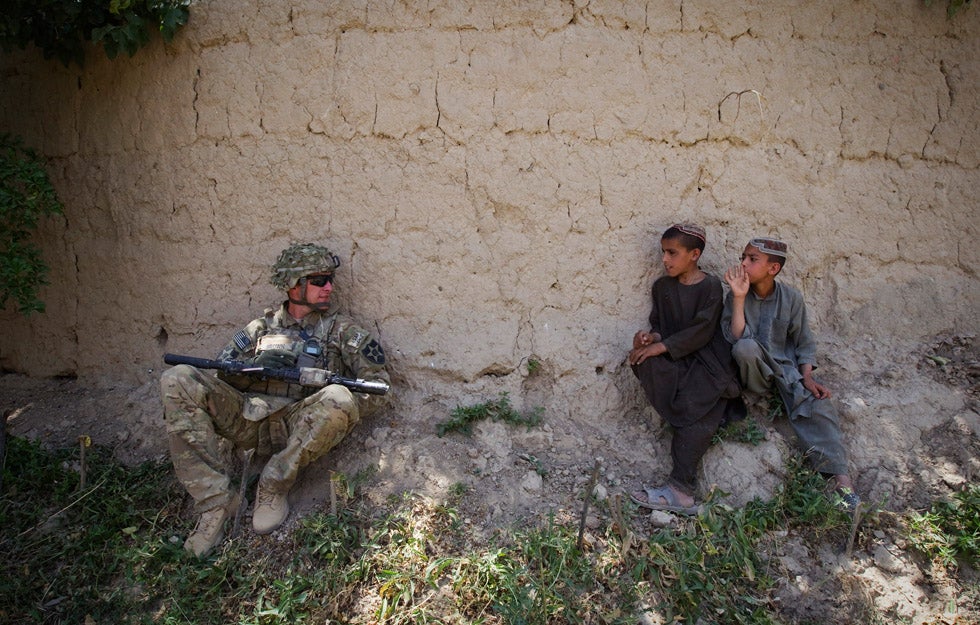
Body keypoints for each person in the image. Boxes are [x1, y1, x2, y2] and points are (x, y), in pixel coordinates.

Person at [161, 242, 391, 557]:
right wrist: (254, 372)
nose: (329, 288)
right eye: (319, 280)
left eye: (330, 279)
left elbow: (378, 388)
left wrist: (325, 393)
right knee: (178, 379)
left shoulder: (342, 332)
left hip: (300, 425)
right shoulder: (260, 329)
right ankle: (215, 503)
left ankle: (273, 483)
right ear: (293, 284)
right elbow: (221, 377)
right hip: (249, 422)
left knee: (339, 397)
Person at [722, 237, 859, 510]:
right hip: (755, 374)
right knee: (746, 348)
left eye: (752, 259)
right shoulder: (735, 295)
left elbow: (804, 343)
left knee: (819, 406)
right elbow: (735, 337)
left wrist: (807, 377)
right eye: (743, 257)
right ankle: (760, 399)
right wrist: (738, 298)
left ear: (773, 269)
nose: (744, 264)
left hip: (786, 373)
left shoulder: (792, 298)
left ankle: (844, 485)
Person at [628, 224, 744, 515]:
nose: (665, 259)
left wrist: (661, 346)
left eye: (672, 253)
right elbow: (661, 327)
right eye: (663, 253)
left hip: (707, 361)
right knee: (642, 358)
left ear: (694, 255)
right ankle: (679, 410)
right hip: (678, 359)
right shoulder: (662, 287)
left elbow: (701, 332)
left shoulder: (710, 287)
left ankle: (681, 489)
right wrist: (649, 340)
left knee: (700, 405)